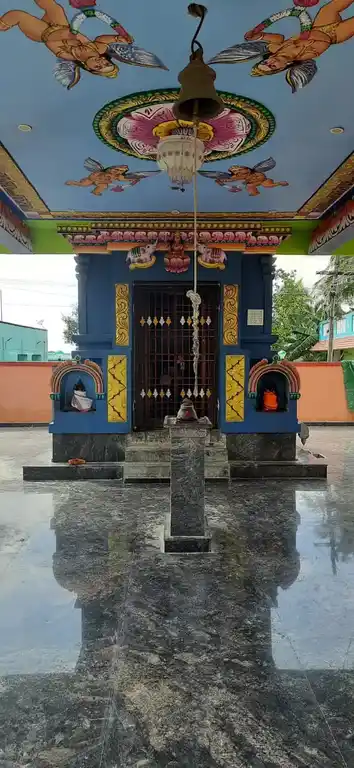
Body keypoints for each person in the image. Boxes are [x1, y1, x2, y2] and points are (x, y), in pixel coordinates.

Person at [0, 0, 133, 87]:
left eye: (98, 67)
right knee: (55, 8)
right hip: (61, 25)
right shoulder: (98, 49)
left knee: (18, 15)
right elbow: (103, 39)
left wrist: (67, 38)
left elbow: (50, 43)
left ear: (89, 68)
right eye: (106, 63)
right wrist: (118, 38)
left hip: (43, 33)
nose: (101, 62)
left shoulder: (70, 56)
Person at [247, 0, 354, 82]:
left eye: (266, 62)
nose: (271, 62)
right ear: (281, 68)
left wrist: (260, 36)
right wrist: (302, 41)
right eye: (272, 66)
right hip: (335, 35)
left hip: (319, 25)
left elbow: (279, 38)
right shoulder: (301, 57)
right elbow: (324, 44)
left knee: (329, 8)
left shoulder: (275, 49)